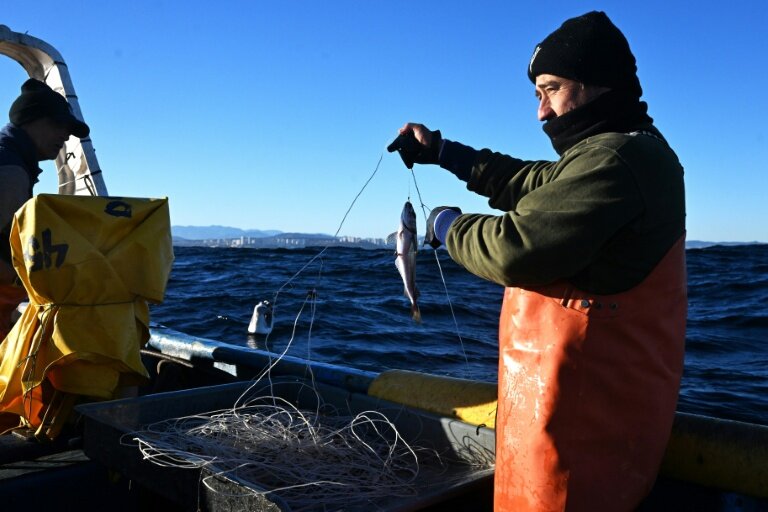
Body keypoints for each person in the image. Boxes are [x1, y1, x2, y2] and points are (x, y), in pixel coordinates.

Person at [389, 11, 686, 512]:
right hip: (559, 433)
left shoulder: (620, 161)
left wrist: (443, 225)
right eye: (536, 95)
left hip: (584, 454)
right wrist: (441, 151)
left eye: (552, 89)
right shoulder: (613, 154)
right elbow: (526, 181)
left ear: (598, 85)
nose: (542, 113)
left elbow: (513, 248)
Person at [0, 78, 89, 338]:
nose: (65, 135)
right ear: (30, 119)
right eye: (57, 124)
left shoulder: (12, 162)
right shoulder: (11, 172)